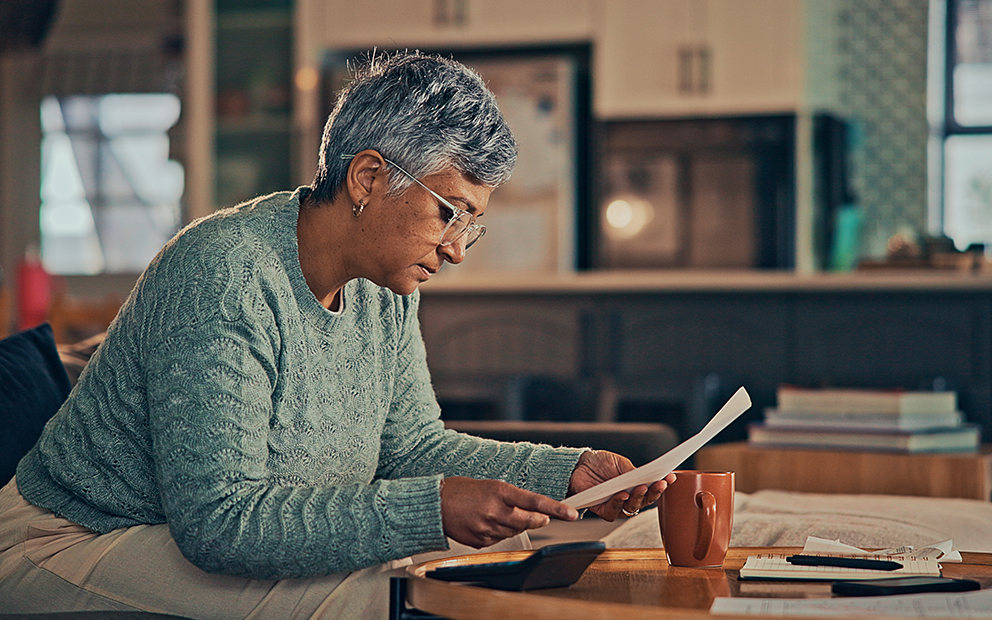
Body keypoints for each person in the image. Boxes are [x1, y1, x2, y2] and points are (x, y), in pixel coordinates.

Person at [0, 51, 674, 618]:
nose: (458, 250)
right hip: (72, 539)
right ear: (369, 177)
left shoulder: (386, 288)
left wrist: (566, 471)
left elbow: (410, 445)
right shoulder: (226, 273)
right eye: (449, 214)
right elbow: (222, 523)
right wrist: (432, 509)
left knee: (490, 569)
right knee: (389, 594)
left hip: (172, 531)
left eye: (472, 223)